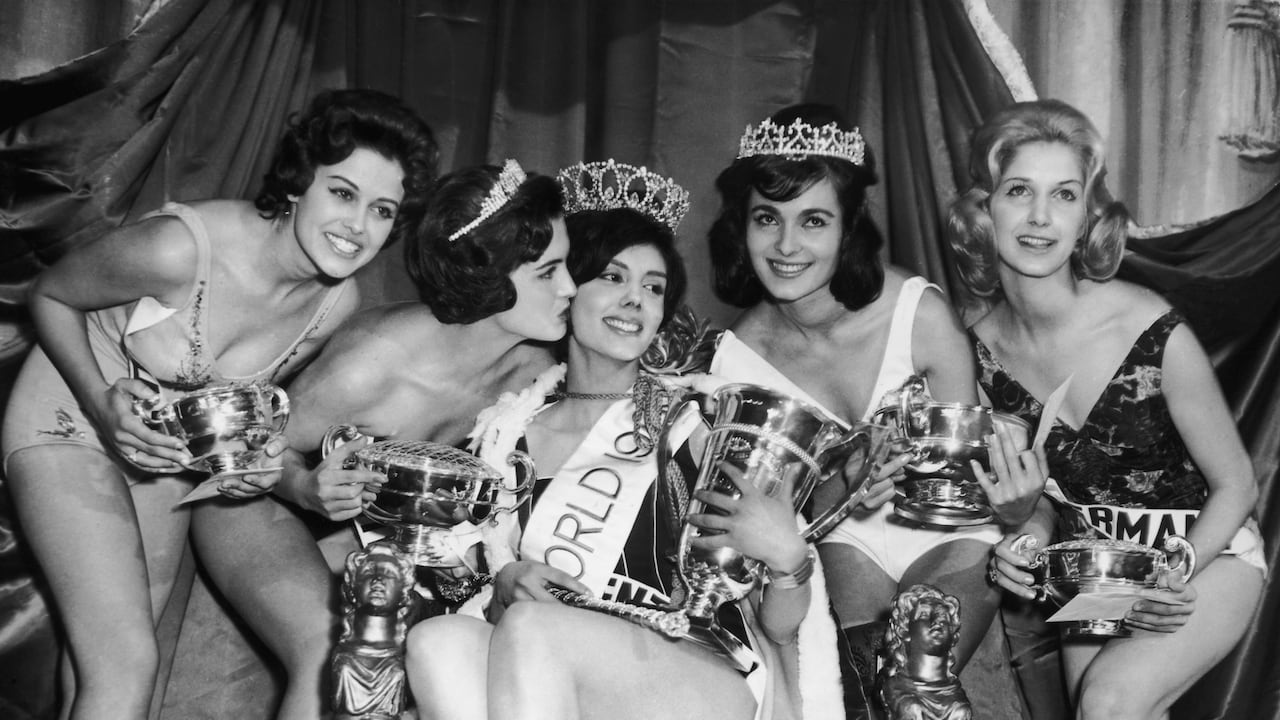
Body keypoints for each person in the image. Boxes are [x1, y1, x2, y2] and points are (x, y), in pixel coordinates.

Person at [0, 87, 438, 720]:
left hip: (163, 456)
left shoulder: (334, 303)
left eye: (382, 210)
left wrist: (266, 472)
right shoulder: (179, 248)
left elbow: (232, 414)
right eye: (343, 193)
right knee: (125, 665)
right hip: (71, 416)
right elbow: (50, 295)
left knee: (127, 671)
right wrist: (99, 402)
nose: (358, 226)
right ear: (299, 183)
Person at [404, 160, 845, 720]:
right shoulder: (503, 440)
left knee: (535, 628)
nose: (636, 300)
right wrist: (505, 582)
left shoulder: (695, 427)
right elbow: (462, 590)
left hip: (697, 669)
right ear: (567, 288)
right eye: (612, 278)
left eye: (653, 287)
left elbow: (778, 624)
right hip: (550, 670)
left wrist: (787, 560)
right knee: (437, 642)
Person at [185, 157, 576, 718]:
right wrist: (304, 488)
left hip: (363, 538)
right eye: (547, 272)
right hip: (254, 502)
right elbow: (254, 451)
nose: (569, 287)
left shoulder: (535, 370)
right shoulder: (372, 364)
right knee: (331, 654)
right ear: (485, 274)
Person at [951, 99, 1266, 719]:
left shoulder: (1147, 326)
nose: (1040, 217)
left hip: (1206, 553)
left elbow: (1238, 485)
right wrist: (1025, 537)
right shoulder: (978, 355)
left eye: (1065, 195)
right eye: (1019, 190)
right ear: (985, 208)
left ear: (1087, 218)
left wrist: (1173, 570)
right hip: (1094, 571)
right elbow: (1044, 497)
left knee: (1109, 701)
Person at [703, 103, 1003, 708]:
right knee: (865, 688)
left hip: (951, 532)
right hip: (842, 545)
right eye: (767, 218)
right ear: (742, 226)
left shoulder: (918, 314)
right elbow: (763, 523)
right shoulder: (735, 363)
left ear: (849, 226)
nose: (786, 245)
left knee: (917, 674)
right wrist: (839, 489)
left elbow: (973, 476)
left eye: (813, 220)